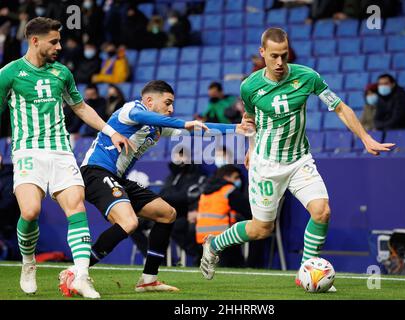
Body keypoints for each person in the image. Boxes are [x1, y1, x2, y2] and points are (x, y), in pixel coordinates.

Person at [199, 28, 395, 290]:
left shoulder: (307, 77)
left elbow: (339, 106)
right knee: (261, 229)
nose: (280, 63)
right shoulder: (249, 86)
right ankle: (215, 243)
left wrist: (365, 138)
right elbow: (251, 120)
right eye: (273, 56)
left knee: (322, 212)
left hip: (299, 160)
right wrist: (250, 148)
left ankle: (306, 271)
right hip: (266, 165)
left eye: (284, 55)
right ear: (262, 54)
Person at [58, 80, 253, 294]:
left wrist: (236, 128)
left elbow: (199, 131)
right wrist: (182, 123)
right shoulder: (132, 109)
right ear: (149, 101)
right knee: (129, 222)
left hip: (117, 178)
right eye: (167, 103)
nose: (171, 109)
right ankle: (77, 272)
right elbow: (144, 117)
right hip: (95, 172)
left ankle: (148, 279)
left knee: (167, 214)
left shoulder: (158, 126)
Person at [0, 17, 131, 298]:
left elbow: (81, 108)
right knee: (30, 212)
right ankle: (28, 262)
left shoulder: (62, 73)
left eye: (59, 41)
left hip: (61, 151)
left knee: (76, 208)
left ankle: (82, 276)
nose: (59, 46)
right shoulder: (9, 73)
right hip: (27, 151)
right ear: (35, 41)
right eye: (54, 41)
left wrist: (111, 132)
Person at [195, 164, 251, 268]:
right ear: (226, 177)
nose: (239, 180)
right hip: (223, 240)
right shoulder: (229, 190)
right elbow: (248, 211)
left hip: (201, 239)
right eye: (236, 177)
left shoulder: (205, 191)